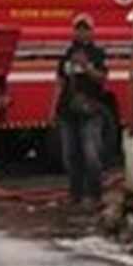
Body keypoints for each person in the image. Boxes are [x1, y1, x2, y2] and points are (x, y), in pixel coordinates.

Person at [52, 13, 109, 210]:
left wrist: (86, 67)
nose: (81, 32)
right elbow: (59, 82)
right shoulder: (67, 54)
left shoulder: (97, 54)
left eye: (85, 29)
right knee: (70, 155)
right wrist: (52, 109)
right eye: (78, 28)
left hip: (90, 111)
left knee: (91, 154)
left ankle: (95, 196)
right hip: (67, 111)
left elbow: (102, 79)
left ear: (92, 32)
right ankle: (74, 195)